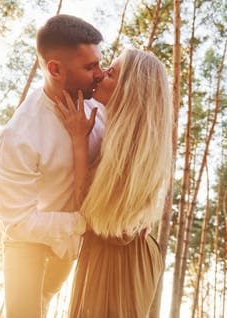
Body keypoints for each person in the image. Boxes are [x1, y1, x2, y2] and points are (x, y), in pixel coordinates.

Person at [0, 14, 106, 318]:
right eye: (90, 66)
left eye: (99, 63)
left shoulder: (100, 109)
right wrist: (88, 223)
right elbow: (18, 222)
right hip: (27, 243)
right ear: (55, 69)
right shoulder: (18, 136)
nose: (100, 73)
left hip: (69, 249)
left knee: (45, 300)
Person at [54, 48, 173, 317]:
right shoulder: (126, 138)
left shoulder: (129, 150)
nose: (100, 75)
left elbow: (88, 212)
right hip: (120, 254)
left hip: (118, 262)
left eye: (111, 73)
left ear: (129, 91)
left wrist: (78, 140)